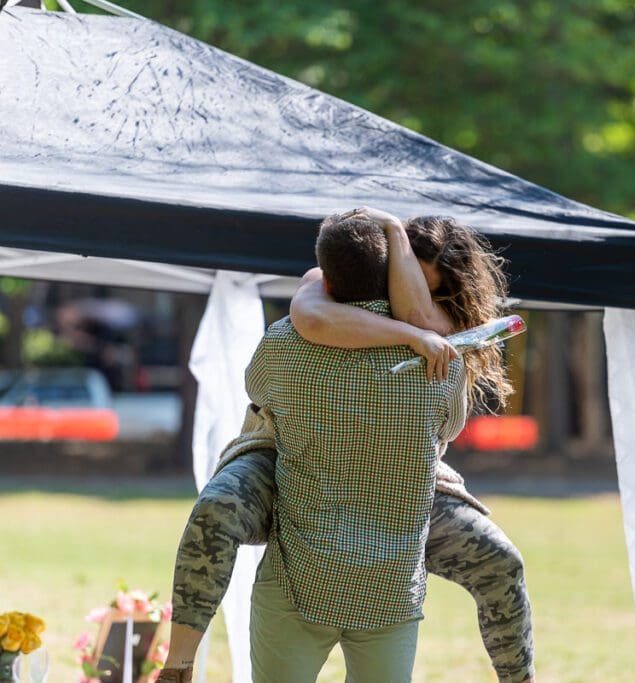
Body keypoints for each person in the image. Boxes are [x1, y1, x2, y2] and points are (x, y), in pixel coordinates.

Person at [158, 208, 535, 683]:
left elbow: (264, 383)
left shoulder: (437, 330)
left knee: (500, 561)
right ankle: (180, 662)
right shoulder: (394, 338)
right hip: (290, 460)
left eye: (429, 292)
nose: (418, 304)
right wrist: (408, 340)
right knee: (216, 509)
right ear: (389, 272)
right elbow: (316, 315)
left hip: (395, 489)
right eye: (407, 282)